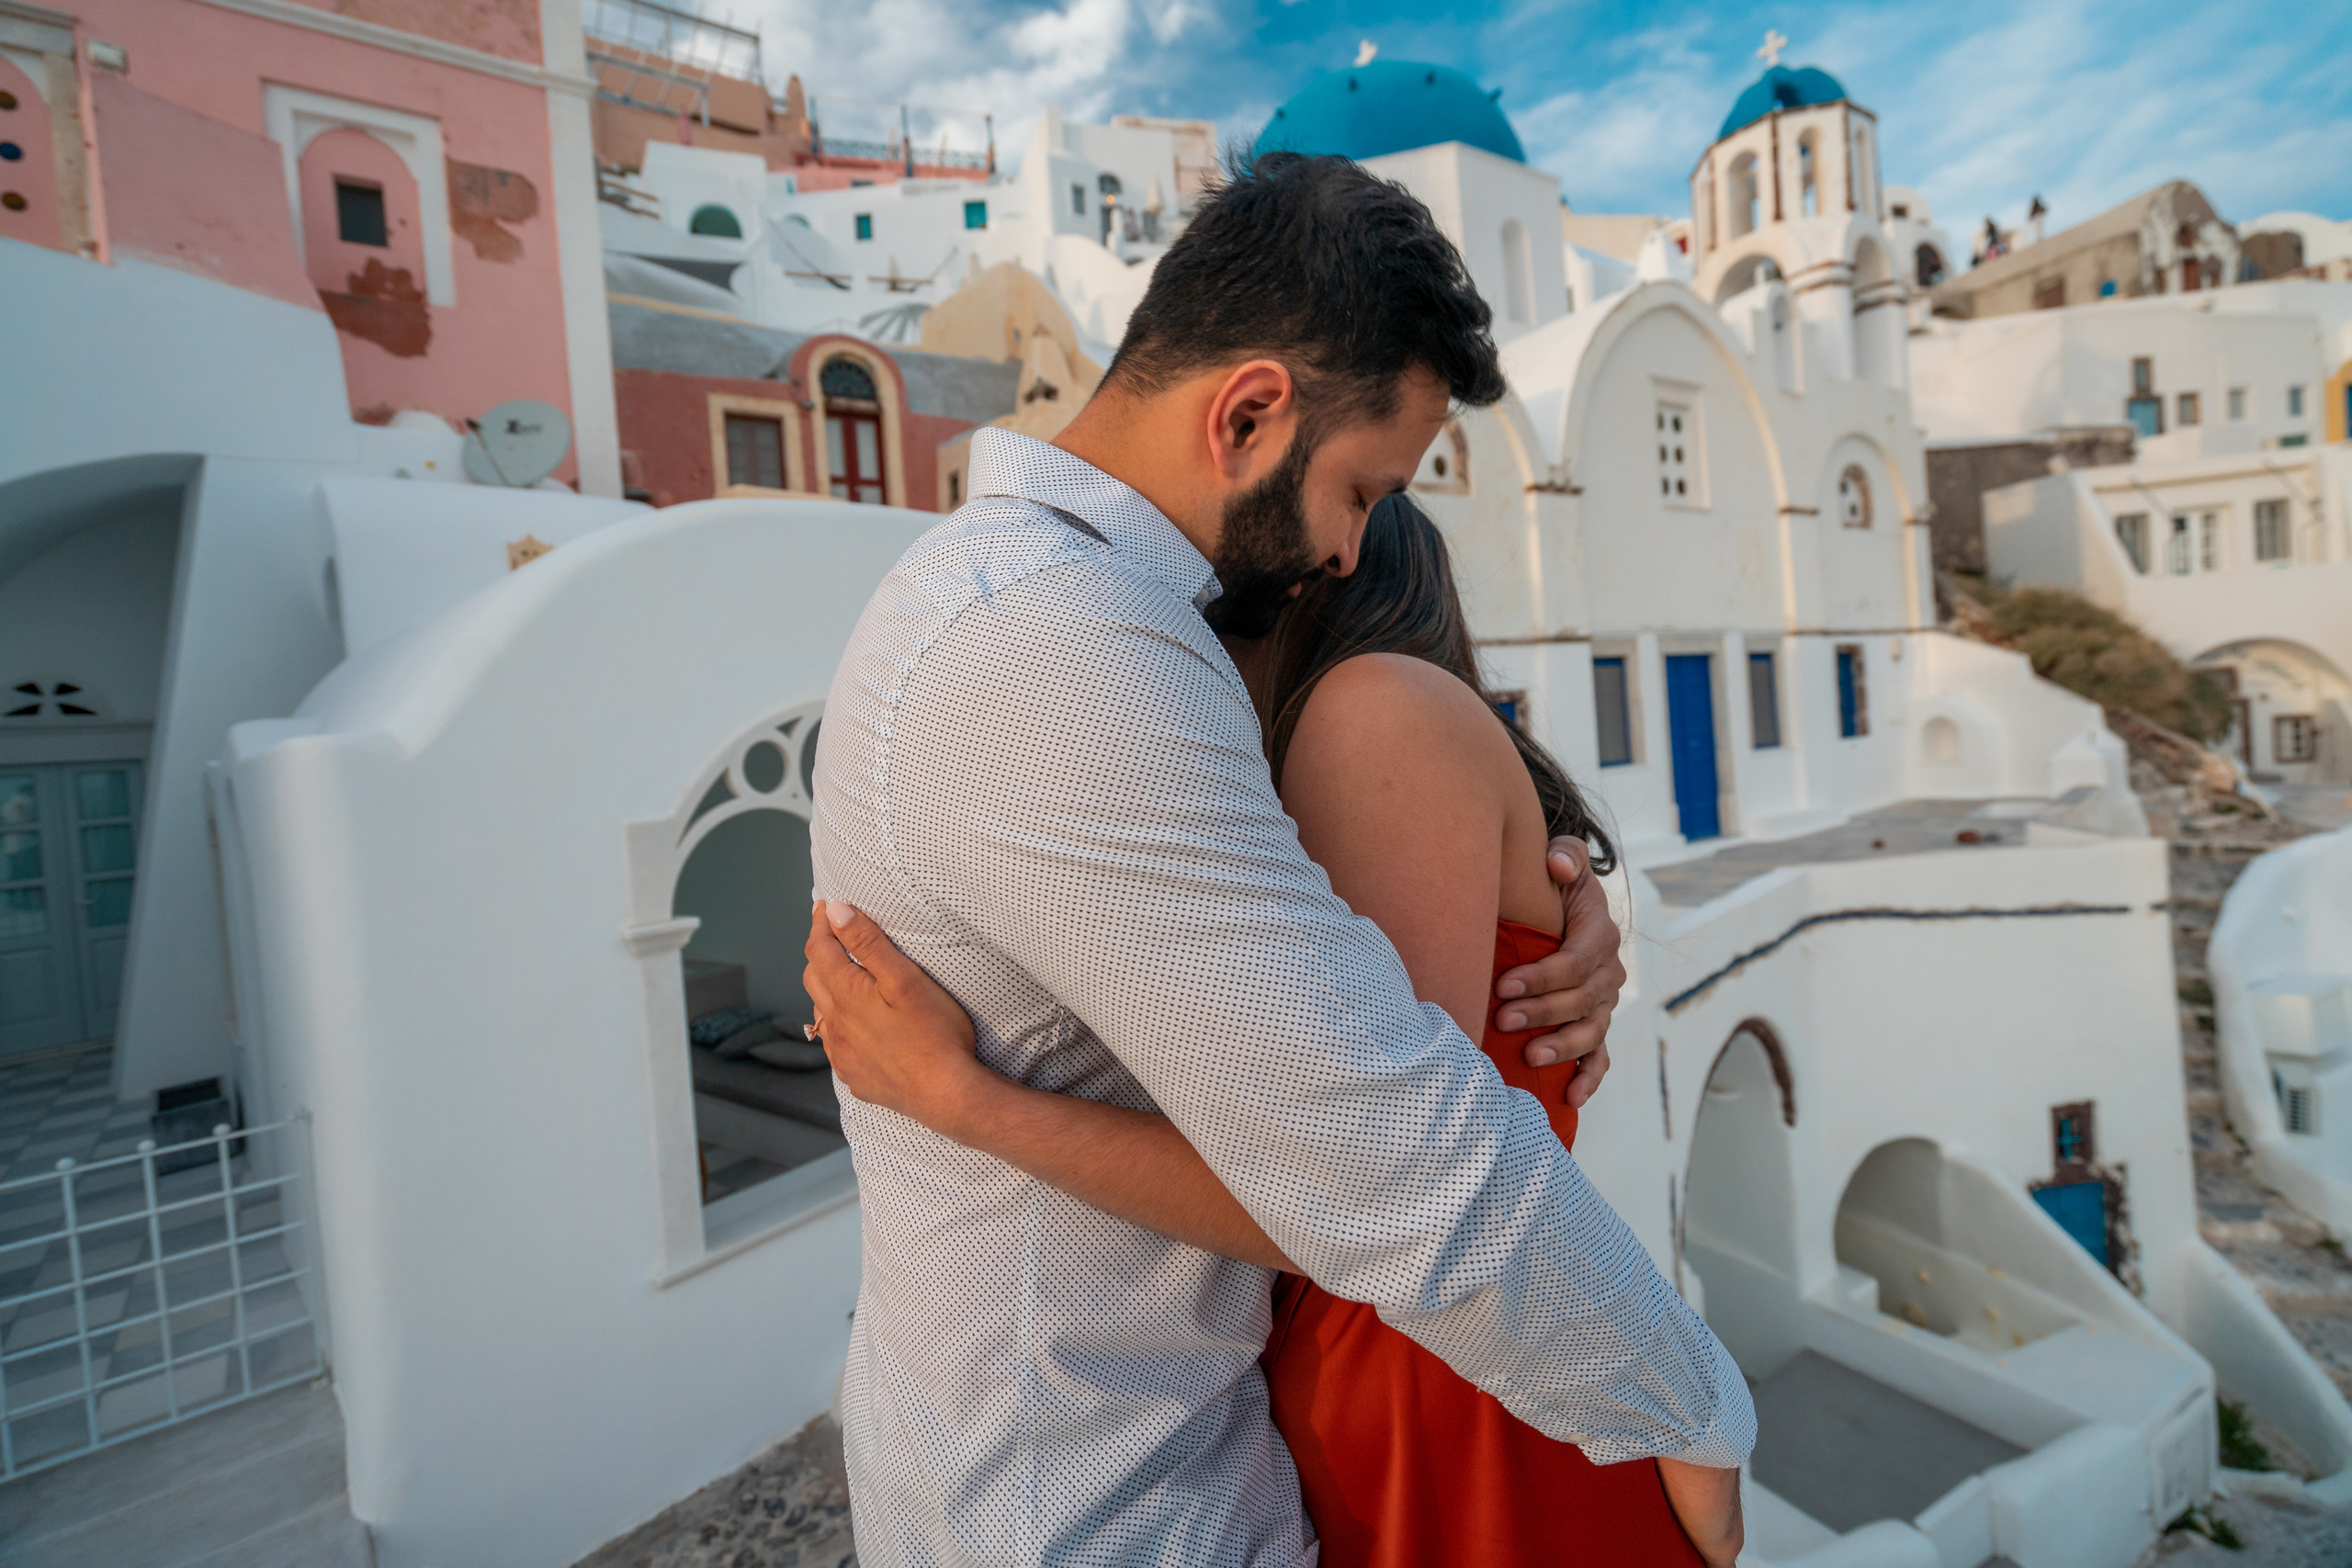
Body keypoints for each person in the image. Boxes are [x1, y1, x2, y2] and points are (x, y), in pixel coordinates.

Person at [804, 151, 1754, 1568]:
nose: (1351, 552)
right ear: (1248, 413)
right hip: (1093, 1505)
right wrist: (1689, 1409)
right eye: (1364, 490)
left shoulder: (1037, 611)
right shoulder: (1056, 644)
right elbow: (1388, 1158)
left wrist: (1544, 892)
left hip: (1119, 1466)